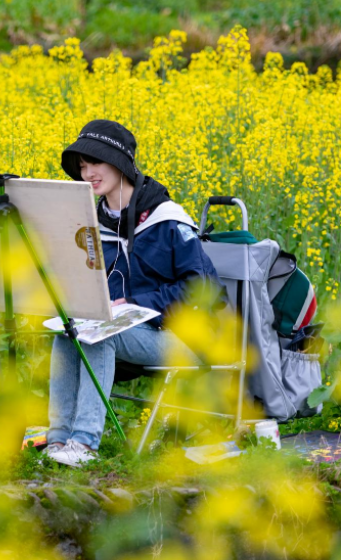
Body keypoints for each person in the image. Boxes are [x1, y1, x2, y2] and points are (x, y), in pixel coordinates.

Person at [46, 120, 223, 467]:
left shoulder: (167, 220)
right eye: (82, 166)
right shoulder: (94, 224)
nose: (87, 173)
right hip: (133, 333)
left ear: (119, 162)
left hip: (184, 339)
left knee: (99, 338)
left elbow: (204, 289)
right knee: (69, 335)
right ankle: (57, 441)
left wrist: (136, 305)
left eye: (95, 162)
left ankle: (83, 445)